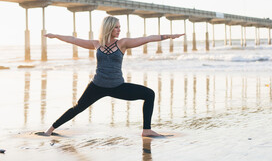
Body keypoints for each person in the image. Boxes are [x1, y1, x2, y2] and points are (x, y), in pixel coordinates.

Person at [40, 16, 183, 137]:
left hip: (117, 86)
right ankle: (50, 130)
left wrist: (169, 36)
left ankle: (146, 130)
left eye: (119, 27)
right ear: (108, 28)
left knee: (149, 94)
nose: (119, 30)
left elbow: (147, 38)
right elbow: (73, 39)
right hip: (97, 86)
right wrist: (56, 36)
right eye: (116, 27)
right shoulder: (96, 44)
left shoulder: (123, 43)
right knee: (78, 108)